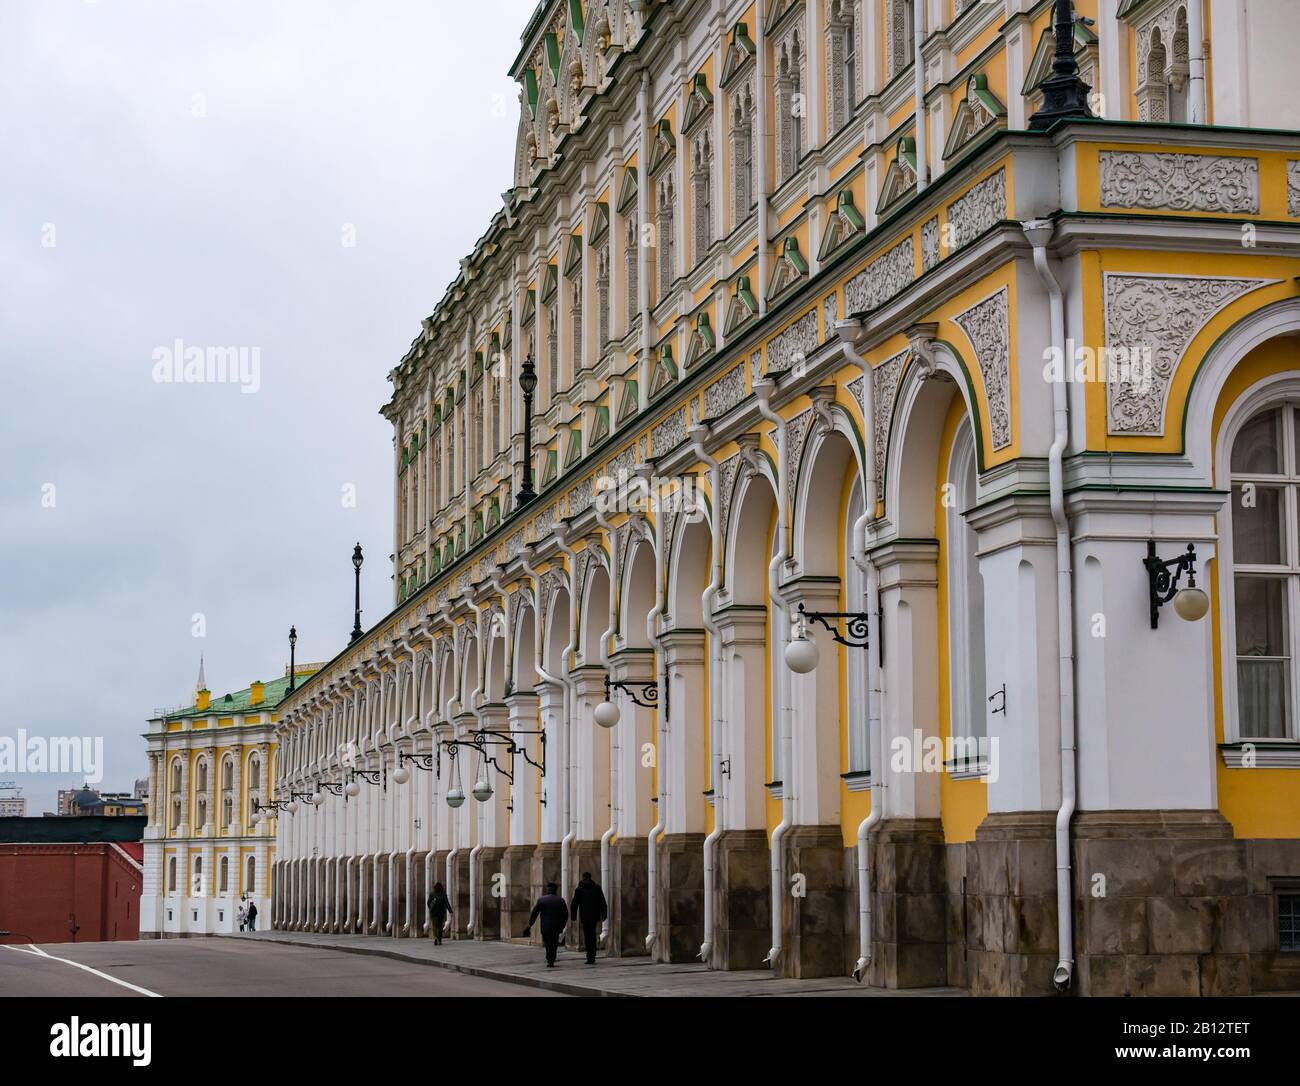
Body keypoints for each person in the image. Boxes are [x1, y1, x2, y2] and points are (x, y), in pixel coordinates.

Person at [524, 882, 569, 967]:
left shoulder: (542, 900)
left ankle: (549, 960)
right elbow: (565, 915)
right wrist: (562, 926)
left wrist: (530, 925)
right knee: (554, 944)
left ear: (548, 890)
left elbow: (534, 913)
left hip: (545, 926)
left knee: (547, 944)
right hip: (556, 927)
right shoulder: (560, 900)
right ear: (556, 890)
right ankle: (552, 959)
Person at [569, 871, 608, 965]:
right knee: (593, 935)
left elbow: (574, 904)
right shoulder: (597, 888)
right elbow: (603, 903)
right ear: (590, 877)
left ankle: (589, 956)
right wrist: (604, 915)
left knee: (587, 936)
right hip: (594, 916)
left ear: (583, 877)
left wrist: (573, 916)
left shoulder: (579, 889)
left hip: (585, 916)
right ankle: (593, 955)